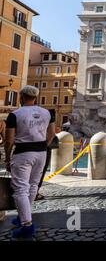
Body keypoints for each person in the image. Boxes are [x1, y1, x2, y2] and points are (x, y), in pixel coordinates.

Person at [4, 86, 56, 240]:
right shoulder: (47, 113)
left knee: (20, 188)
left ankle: (26, 225)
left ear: (21, 97)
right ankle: (22, 217)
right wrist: (42, 145)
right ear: (36, 97)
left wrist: (7, 157)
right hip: (41, 152)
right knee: (33, 185)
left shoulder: (15, 114)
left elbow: (9, 140)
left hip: (23, 153)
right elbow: (52, 133)